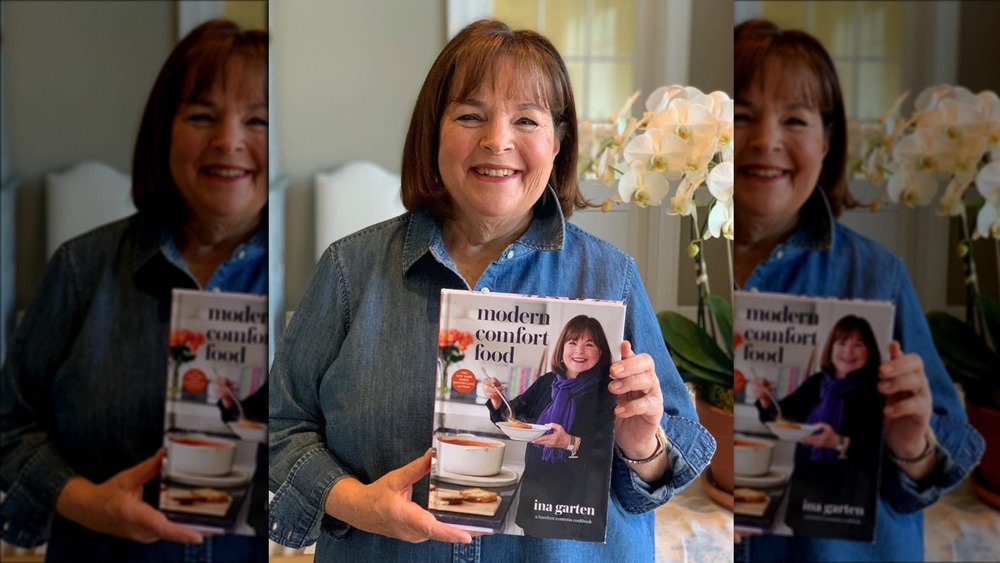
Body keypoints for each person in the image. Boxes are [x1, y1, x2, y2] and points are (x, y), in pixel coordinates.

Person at [268, 19, 714, 561]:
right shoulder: (349, 270)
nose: (496, 140)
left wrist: (644, 446)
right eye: (470, 115)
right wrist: (356, 503)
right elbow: (280, 425)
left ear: (557, 142)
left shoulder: (610, 277)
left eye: (526, 119)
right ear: (434, 131)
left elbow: (670, 467)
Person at [0, 19, 268, 562]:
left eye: (259, 119)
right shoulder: (82, 270)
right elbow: (10, 424)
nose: (228, 141)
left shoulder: (314, 283)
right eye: (201, 115)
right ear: (162, 132)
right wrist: (83, 501)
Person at [733, 19, 984, 561]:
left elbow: (939, 461)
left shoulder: (877, 276)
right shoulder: (696, 283)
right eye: (741, 115)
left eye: (794, 119)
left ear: (828, 142)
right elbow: (777, 414)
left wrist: (912, 444)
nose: (765, 140)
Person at [482, 315, 617, 539]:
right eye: (572, 342)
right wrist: (497, 399)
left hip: (578, 502)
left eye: (589, 344)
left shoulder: (608, 392)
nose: (579, 351)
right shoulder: (547, 382)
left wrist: (569, 442)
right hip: (537, 493)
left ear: (600, 352)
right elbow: (512, 416)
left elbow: (606, 451)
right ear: (562, 347)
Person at [751, 315, 884, 539]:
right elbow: (781, 416)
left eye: (858, 344)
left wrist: (839, 442)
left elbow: (877, 449)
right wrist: (766, 399)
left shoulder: (876, 392)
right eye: (841, 342)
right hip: (807, 487)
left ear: (870, 351)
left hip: (848, 498)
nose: (848, 351)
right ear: (831, 347)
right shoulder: (816, 383)